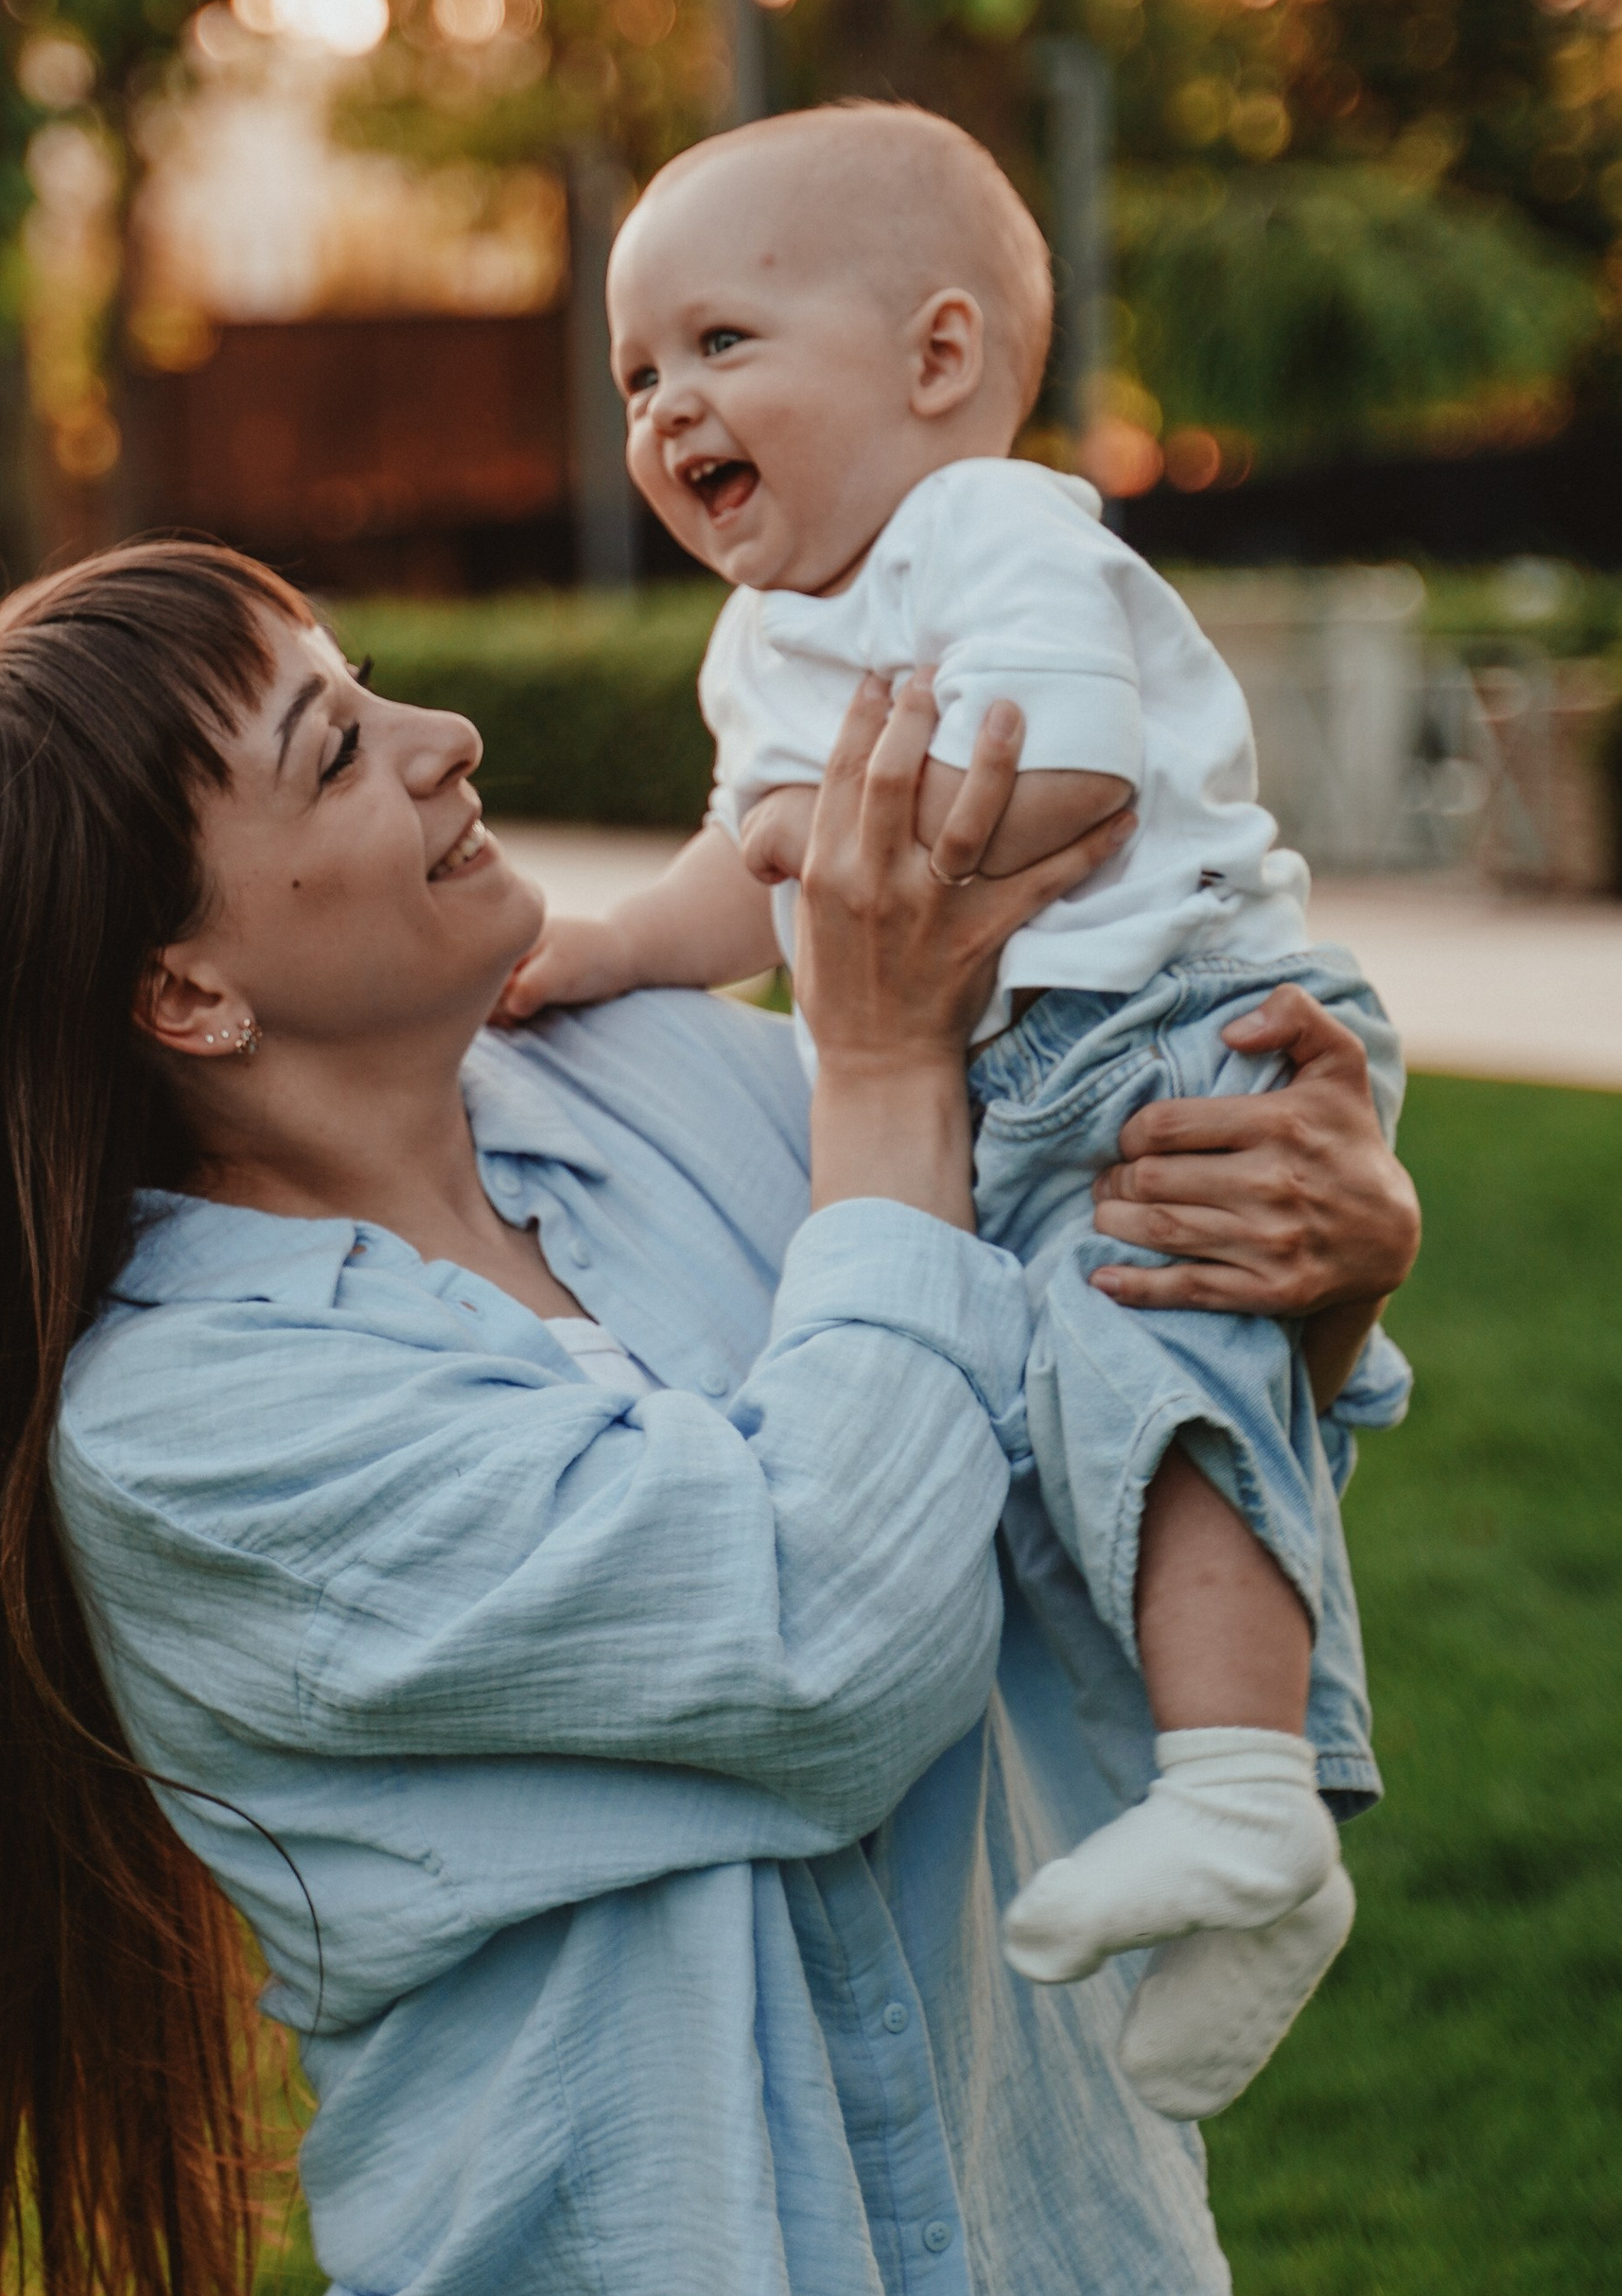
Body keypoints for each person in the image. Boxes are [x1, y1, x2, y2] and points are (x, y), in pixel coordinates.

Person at [0, 541, 1420, 2296]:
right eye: (335, 750)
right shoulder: (193, 1430)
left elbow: (1052, 1533)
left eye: (374, 686)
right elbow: (837, 1650)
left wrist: (1296, 1276)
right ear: (183, 990)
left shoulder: (663, 1078)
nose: (445, 739)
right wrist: (882, 1071)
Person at [500, 107, 1406, 2121]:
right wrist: (612, 946)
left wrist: (831, 851)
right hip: (1020, 1069)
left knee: (1157, 1370)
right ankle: (1250, 1833)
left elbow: (1069, 780)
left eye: (720, 343)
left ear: (933, 359)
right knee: (1082, 1441)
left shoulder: (988, 528)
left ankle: (1244, 1794)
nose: (665, 410)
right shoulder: (764, 637)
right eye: (636, 376)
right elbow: (742, 868)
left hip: (1166, 1026)